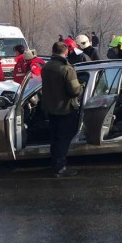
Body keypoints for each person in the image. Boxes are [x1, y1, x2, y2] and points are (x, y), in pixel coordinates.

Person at [41, 42, 83, 177]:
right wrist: (81, 87)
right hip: (65, 109)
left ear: (53, 51)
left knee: (55, 139)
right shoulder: (67, 69)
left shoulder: (46, 67)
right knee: (63, 140)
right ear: (66, 52)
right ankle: (60, 168)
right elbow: (75, 90)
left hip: (50, 109)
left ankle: (55, 164)